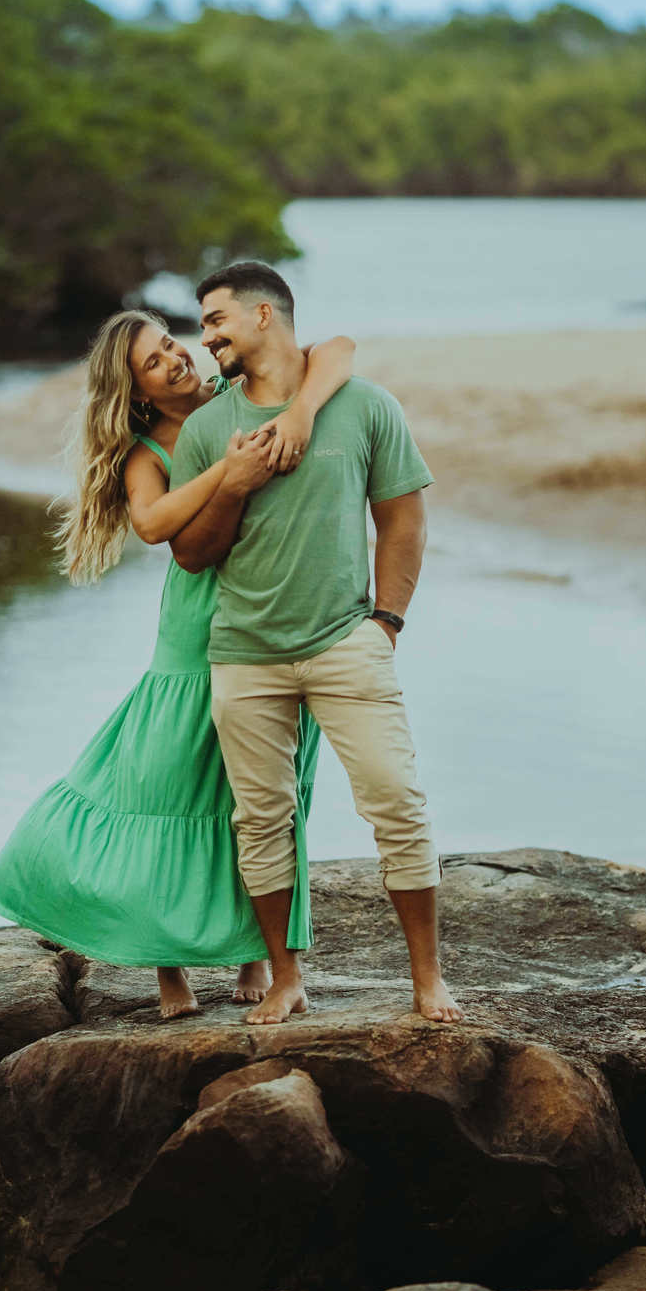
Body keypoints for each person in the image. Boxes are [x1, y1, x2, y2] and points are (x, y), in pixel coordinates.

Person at [0, 309, 356, 1019]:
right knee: (169, 785)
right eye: (155, 361)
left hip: (275, 617)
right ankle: (168, 970)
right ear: (140, 392)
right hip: (194, 633)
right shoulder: (146, 451)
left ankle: (258, 954)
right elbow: (152, 525)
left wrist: (301, 410)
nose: (177, 358)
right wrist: (228, 473)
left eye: (171, 344)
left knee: (265, 792)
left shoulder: (234, 392)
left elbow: (336, 350)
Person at [169, 261, 461, 1027]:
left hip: (346, 642)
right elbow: (193, 554)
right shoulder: (206, 429)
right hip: (244, 653)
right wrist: (232, 483)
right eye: (203, 325)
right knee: (259, 819)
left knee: (397, 800)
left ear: (265, 316)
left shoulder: (364, 406)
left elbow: (404, 519)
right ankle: (286, 979)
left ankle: (428, 980)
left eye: (216, 320)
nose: (207, 338)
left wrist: (387, 622)